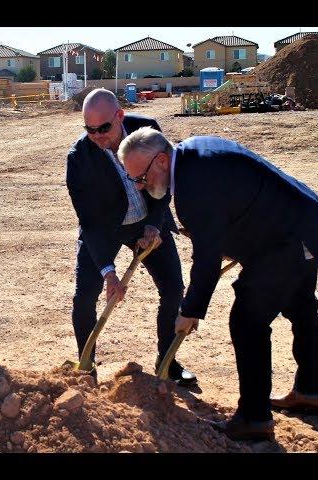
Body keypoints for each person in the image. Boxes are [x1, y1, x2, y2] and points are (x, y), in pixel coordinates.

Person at [119, 127, 318, 441]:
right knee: (301, 307)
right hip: (303, 224)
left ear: (160, 160)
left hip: (288, 240)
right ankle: (312, 389)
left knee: (247, 321)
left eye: (141, 179)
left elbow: (207, 259)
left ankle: (254, 419)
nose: (142, 187)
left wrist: (190, 310)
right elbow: (234, 204)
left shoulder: (191, 186)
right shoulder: (193, 153)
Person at [65, 88, 196, 385]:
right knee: (85, 296)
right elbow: (89, 221)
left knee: (174, 289)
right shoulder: (79, 159)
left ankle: (167, 362)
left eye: (104, 128)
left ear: (119, 116)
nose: (96, 135)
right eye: (89, 129)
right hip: (104, 229)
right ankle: (86, 368)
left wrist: (154, 224)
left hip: (148, 222)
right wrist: (109, 273)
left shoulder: (146, 130)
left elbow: (165, 182)